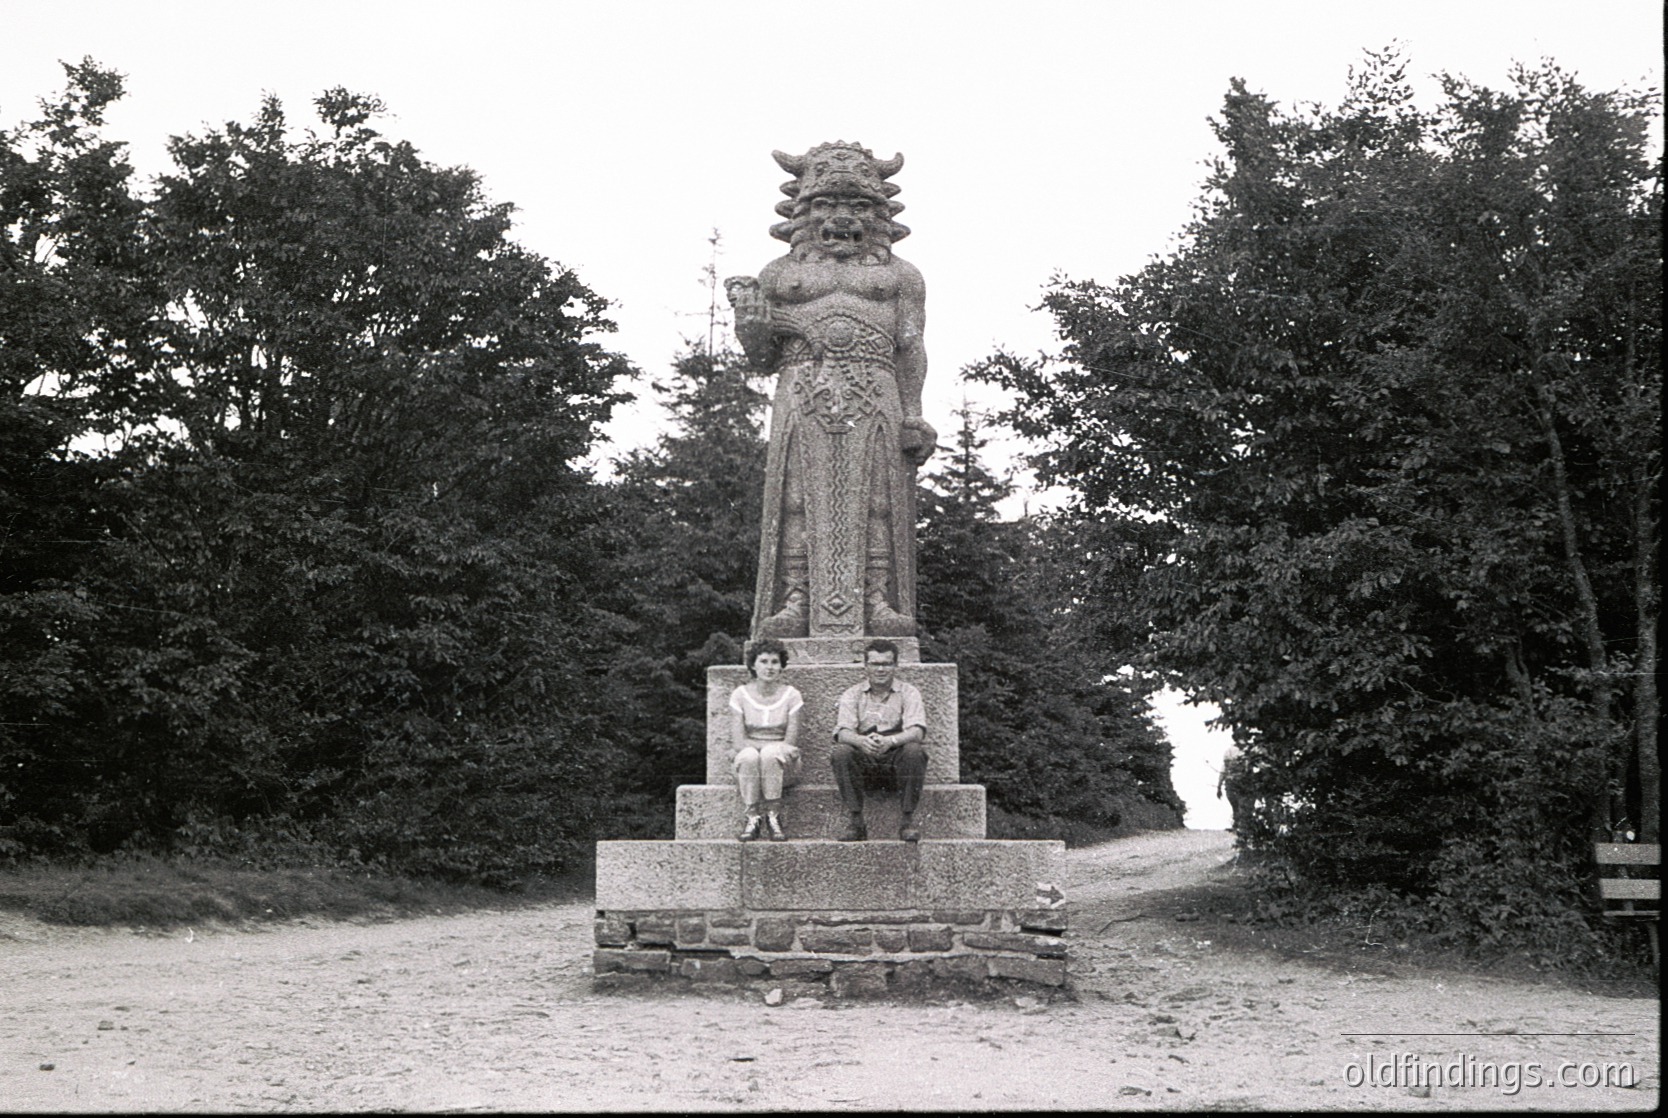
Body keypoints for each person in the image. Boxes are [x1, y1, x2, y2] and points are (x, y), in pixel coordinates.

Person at [726, 141, 936, 642]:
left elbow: (911, 346)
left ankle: (877, 598)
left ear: (881, 212)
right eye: (825, 204)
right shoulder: (779, 276)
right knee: (797, 497)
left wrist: (914, 414)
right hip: (803, 388)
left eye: (858, 205)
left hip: (875, 388)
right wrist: (750, 324)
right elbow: (759, 356)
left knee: (879, 499)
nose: (841, 218)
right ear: (800, 211)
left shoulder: (901, 276)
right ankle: (796, 598)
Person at [830, 639, 928, 842]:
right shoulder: (852, 694)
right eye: (875, 664)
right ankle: (856, 822)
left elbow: (917, 731)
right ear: (866, 666)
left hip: (895, 759)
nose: (881, 669)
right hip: (866, 759)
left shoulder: (909, 692)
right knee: (841, 752)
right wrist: (861, 741)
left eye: (886, 664)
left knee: (914, 751)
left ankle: (907, 821)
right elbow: (842, 732)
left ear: (895, 665)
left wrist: (890, 741)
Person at [729, 638, 803, 842]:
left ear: (781, 666)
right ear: (753, 665)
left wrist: (765, 748)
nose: (769, 667)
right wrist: (766, 748)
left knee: (771, 754)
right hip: (749, 766)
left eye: (774, 662)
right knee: (749, 756)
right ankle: (752, 817)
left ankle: (773, 816)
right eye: (763, 661)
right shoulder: (740, 695)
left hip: (784, 766)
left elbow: (789, 743)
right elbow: (738, 743)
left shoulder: (792, 695)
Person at [1217, 745, 1254, 836]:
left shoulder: (1229, 751)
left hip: (1232, 783)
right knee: (1241, 805)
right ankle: (1241, 826)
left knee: (1236, 805)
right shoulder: (1249, 751)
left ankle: (1239, 825)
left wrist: (1219, 787)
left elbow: (1223, 772)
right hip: (1242, 782)